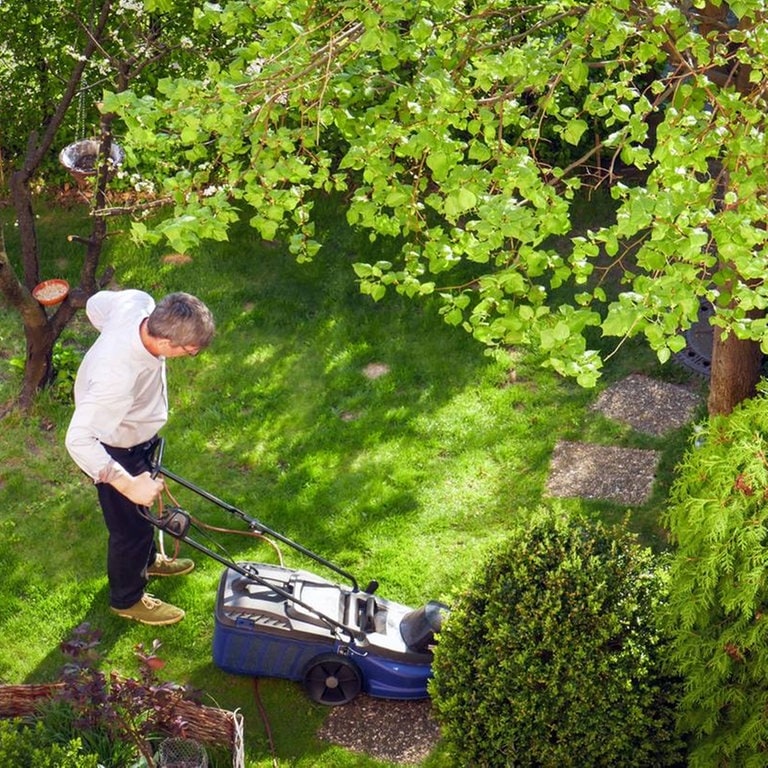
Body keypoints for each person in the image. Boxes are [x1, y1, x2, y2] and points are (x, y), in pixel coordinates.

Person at [65, 289, 215, 626]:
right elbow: (78, 440)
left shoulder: (138, 304)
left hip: (140, 439)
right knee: (128, 529)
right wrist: (127, 483)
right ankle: (127, 599)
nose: (190, 355)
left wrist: (109, 336)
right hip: (116, 449)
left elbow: (95, 305)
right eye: (189, 352)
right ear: (165, 343)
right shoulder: (116, 378)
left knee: (141, 518)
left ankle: (148, 562)